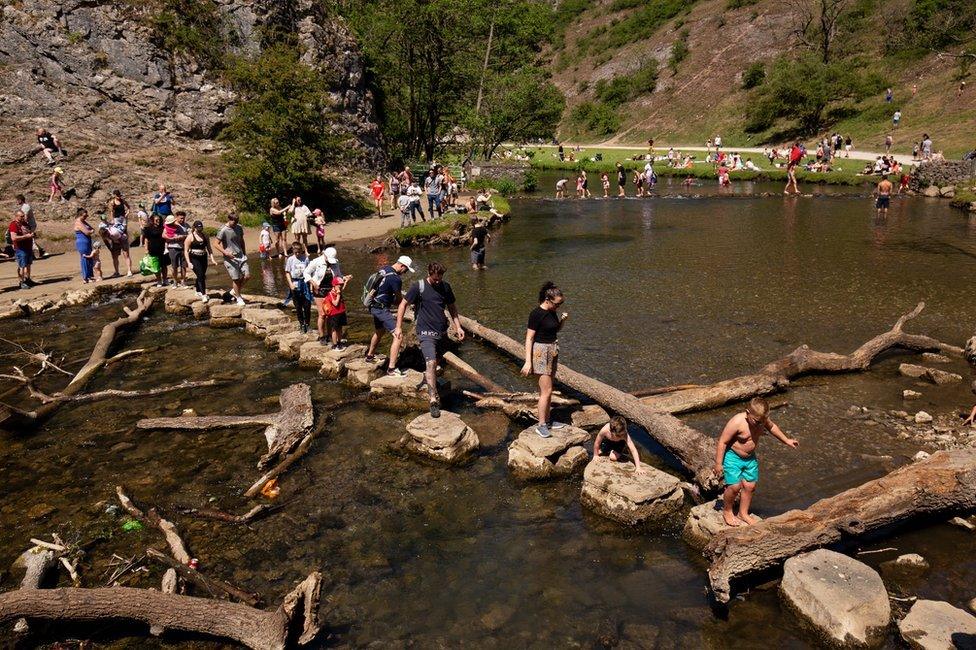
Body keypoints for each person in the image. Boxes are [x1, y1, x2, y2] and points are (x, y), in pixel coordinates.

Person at [395, 261, 464, 418]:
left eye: (440, 278)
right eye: (435, 279)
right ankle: (433, 400)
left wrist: (458, 326)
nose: (438, 281)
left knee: (436, 360)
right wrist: (398, 327)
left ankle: (429, 377)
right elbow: (403, 305)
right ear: (429, 273)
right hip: (424, 331)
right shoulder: (417, 287)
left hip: (441, 331)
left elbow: (452, 307)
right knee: (431, 362)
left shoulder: (445, 287)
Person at [715, 397, 798, 526]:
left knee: (750, 486)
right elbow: (722, 442)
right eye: (757, 422)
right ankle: (727, 511)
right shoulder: (737, 422)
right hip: (733, 457)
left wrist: (786, 440)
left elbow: (772, 427)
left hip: (750, 458)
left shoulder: (761, 419)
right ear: (748, 413)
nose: (760, 425)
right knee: (734, 487)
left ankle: (743, 513)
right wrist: (718, 464)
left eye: (762, 422)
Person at [520, 281, 568, 438]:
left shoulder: (552, 312)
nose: (558, 306)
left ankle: (547, 421)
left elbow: (554, 330)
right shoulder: (536, 314)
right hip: (540, 352)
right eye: (557, 303)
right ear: (548, 300)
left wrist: (562, 321)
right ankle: (541, 425)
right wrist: (528, 361)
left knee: (549, 390)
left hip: (552, 350)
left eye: (560, 304)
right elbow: (529, 338)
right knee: (545, 391)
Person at [364, 255, 414, 366]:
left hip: (373, 305)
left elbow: (383, 290)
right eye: (406, 269)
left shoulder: (384, 269)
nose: (405, 272)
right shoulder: (395, 279)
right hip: (381, 309)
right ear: (402, 266)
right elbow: (399, 301)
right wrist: (408, 304)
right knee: (398, 335)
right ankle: (392, 368)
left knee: (380, 331)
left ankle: (369, 356)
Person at [213, 213, 249, 306]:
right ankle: (238, 297)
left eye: (236, 222)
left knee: (247, 276)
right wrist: (226, 253)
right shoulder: (223, 230)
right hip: (230, 258)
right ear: (229, 219)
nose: (235, 223)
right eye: (233, 221)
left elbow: (242, 240)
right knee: (236, 279)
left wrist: (244, 252)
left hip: (241, 255)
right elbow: (216, 244)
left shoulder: (239, 228)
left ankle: (234, 291)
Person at [284, 242, 313, 334]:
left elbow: (310, 273)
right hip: (295, 284)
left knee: (307, 306)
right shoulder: (290, 260)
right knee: (298, 307)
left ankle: (308, 324)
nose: (297, 254)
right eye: (295, 252)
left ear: (301, 251)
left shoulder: (306, 259)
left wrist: (311, 286)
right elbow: (287, 272)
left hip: (305, 284)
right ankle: (301, 324)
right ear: (293, 251)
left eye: (299, 252)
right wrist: (290, 284)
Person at [183, 220, 215, 301]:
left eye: (201, 227)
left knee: (202, 275)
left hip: (203, 257)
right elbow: (186, 251)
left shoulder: (205, 236)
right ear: (194, 227)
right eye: (198, 228)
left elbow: (209, 248)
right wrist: (189, 262)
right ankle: (204, 294)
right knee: (200, 275)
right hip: (194, 258)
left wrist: (212, 259)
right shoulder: (190, 237)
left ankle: (198, 291)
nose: (200, 229)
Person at [106, 190, 133, 275]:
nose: (118, 196)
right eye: (117, 195)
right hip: (116, 221)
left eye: (119, 195)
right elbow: (111, 211)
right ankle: (116, 271)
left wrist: (127, 214)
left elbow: (128, 207)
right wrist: (112, 220)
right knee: (115, 252)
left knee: (125, 250)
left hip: (123, 220)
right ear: (114, 195)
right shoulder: (112, 202)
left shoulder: (122, 201)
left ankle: (129, 270)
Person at [9, 210, 35, 289]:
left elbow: (28, 232)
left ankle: (28, 279)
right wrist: (26, 236)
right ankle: (21, 282)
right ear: (16, 216)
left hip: (28, 247)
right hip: (20, 248)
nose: (23, 217)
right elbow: (13, 238)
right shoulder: (13, 225)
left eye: (23, 216)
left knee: (28, 264)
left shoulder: (25, 223)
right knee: (22, 266)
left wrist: (31, 235)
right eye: (21, 216)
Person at [323, 276, 350, 349]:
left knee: (340, 328)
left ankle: (339, 342)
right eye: (339, 285)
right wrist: (338, 295)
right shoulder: (331, 294)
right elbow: (335, 303)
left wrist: (346, 282)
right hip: (334, 314)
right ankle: (334, 344)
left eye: (341, 284)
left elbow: (342, 289)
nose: (341, 286)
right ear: (334, 285)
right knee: (334, 329)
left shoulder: (339, 290)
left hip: (341, 312)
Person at [141, 213, 167, 285]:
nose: (158, 221)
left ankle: (165, 279)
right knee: (156, 266)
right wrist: (146, 249)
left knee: (163, 265)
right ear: (153, 220)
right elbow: (146, 240)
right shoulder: (149, 229)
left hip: (162, 249)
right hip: (152, 249)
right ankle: (159, 280)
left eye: (159, 220)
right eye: (156, 220)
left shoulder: (163, 228)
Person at [16, 194, 44, 258]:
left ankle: (35, 251)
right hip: (29, 225)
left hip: (30, 225)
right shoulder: (23, 206)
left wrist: (21, 225)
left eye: (17, 200)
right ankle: (40, 250)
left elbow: (24, 217)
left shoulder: (25, 207)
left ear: (20, 200)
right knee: (30, 238)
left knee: (30, 238)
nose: (16, 202)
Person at [163, 212, 188, 287]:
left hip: (183, 247)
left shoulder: (185, 225)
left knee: (183, 266)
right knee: (174, 266)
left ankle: (183, 281)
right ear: (176, 217)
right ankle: (175, 281)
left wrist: (182, 237)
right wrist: (171, 238)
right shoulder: (167, 226)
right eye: (181, 218)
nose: (182, 220)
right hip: (172, 248)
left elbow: (189, 234)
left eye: (183, 218)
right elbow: (163, 235)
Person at [74, 208, 96, 284]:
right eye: (84, 215)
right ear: (80, 215)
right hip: (82, 242)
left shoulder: (84, 221)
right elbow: (87, 232)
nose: (86, 217)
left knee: (90, 258)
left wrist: (91, 231)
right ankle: (85, 277)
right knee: (85, 258)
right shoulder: (78, 222)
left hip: (87, 241)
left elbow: (92, 229)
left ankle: (90, 276)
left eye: (87, 215)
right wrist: (91, 231)